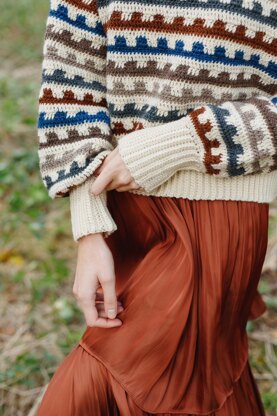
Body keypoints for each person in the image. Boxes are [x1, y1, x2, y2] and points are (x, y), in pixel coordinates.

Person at [37, 0, 277, 414]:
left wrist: (182, 143)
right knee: (195, 383)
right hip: (120, 210)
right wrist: (89, 228)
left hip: (215, 214)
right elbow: (71, 90)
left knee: (103, 386)